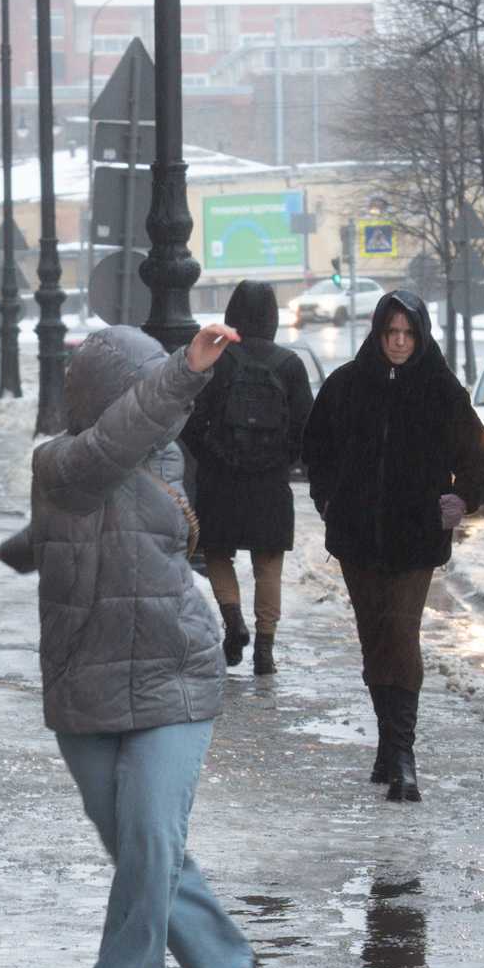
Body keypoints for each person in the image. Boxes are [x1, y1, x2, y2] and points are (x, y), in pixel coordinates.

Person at [0, 322, 284, 968]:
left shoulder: (164, 456)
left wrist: (184, 372)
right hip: (84, 679)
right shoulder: (59, 462)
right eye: (147, 390)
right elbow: (80, 488)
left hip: (173, 671)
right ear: (109, 397)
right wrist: (19, 552)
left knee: (150, 831)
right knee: (145, 849)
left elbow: (126, 449)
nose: (166, 411)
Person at [301, 291, 484, 803]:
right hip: (357, 538)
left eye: (408, 334)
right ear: (378, 333)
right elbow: (315, 448)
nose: (399, 342)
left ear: (421, 334)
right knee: (374, 638)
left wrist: (463, 498)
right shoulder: (346, 385)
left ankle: (403, 756)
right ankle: (387, 745)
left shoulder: (441, 390)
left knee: (401, 632)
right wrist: (329, 499)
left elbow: (478, 453)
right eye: (391, 333)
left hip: (416, 536)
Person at [180, 280, 314, 676]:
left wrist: (210, 457)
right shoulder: (290, 364)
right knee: (268, 564)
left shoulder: (219, 360)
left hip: (221, 480)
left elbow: (190, 417)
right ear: (273, 317)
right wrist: (281, 459)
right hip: (269, 483)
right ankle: (265, 648)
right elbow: (306, 426)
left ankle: (233, 621)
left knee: (219, 553)